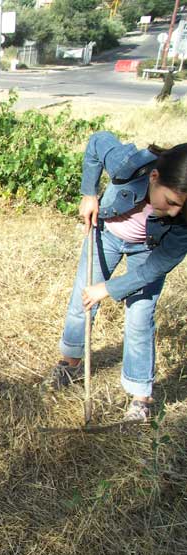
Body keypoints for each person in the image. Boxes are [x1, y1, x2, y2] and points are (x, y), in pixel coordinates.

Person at [47, 132, 187, 423]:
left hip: (148, 253)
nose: (175, 212)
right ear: (155, 176)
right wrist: (89, 193)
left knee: (140, 316)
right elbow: (97, 142)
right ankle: (71, 364)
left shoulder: (183, 220)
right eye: (171, 201)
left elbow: (154, 269)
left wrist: (109, 288)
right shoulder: (129, 164)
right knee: (81, 300)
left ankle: (140, 397)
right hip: (107, 236)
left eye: (181, 208)